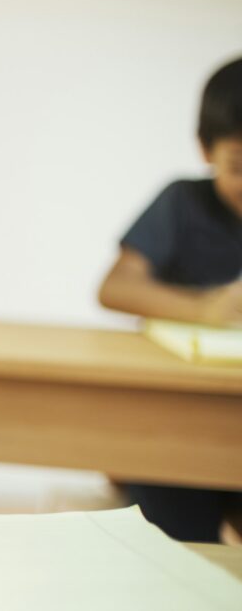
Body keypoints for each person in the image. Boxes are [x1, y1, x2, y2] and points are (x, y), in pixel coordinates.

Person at [98, 56, 242, 542]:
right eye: (239, 166)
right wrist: (207, 309)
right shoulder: (182, 203)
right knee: (176, 541)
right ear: (205, 148)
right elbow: (115, 288)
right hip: (175, 427)